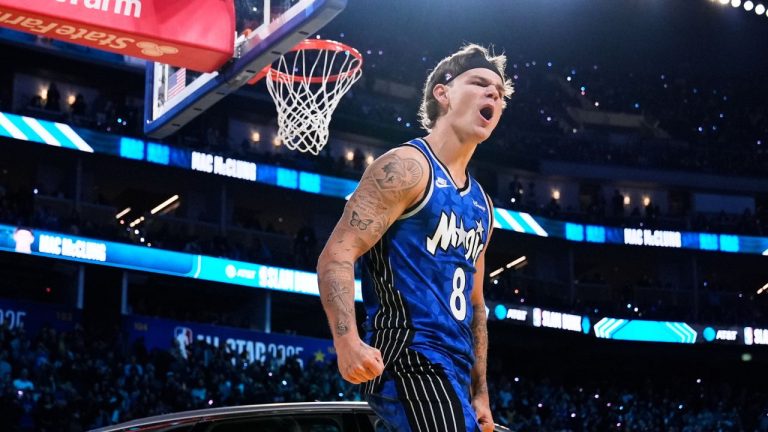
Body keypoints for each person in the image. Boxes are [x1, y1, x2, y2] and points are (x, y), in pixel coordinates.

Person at [317, 44, 513, 432]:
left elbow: (475, 306)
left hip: (453, 371)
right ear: (442, 93)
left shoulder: (483, 205)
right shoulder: (407, 168)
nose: (494, 94)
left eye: (500, 92)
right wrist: (347, 342)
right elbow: (336, 255)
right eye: (479, 83)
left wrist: (480, 391)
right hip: (408, 356)